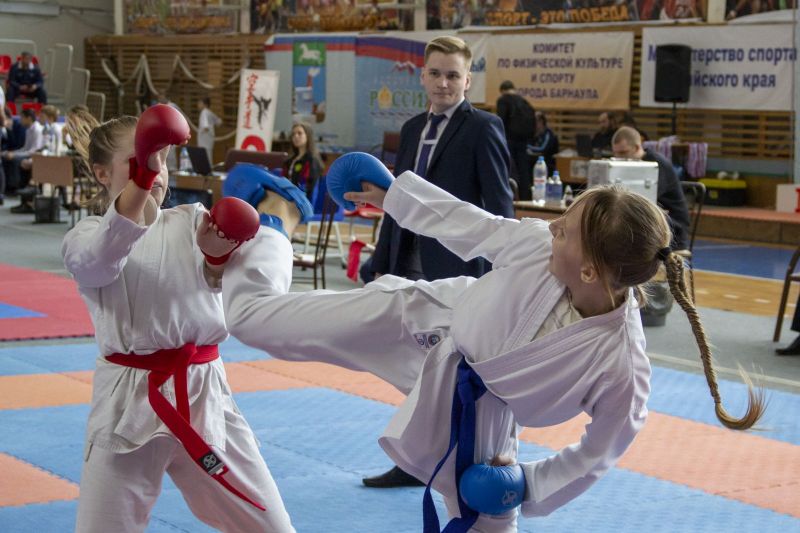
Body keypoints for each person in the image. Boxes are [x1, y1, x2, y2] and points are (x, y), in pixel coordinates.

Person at [220, 152, 765, 532]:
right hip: (421, 323)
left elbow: (601, 450)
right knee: (251, 320)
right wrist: (395, 195)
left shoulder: (620, 365)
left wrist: (527, 484)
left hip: (483, 414)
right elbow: (471, 225)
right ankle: (276, 217)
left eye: (565, 230)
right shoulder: (539, 246)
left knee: (488, 523)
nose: (551, 228)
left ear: (591, 272)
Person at [61, 106, 295, 532]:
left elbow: (231, 289)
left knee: (272, 526)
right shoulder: (86, 234)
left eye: (162, 159)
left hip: (204, 395)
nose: (156, 170)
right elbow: (100, 261)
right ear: (101, 174)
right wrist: (142, 181)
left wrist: (218, 261)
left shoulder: (192, 220)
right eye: (140, 159)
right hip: (127, 404)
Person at [368, 35, 514, 487]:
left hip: (458, 266)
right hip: (407, 257)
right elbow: (397, 199)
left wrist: (506, 267)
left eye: (453, 75)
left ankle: (467, 457)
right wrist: (381, 259)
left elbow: (499, 204)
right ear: (422, 76)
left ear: (467, 80)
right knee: (413, 363)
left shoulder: (484, 127)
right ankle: (415, 458)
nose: (443, 83)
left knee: (458, 369)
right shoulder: (412, 128)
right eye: (435, 73)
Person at [612, 126, 690, 251]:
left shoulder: (656, 164)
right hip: (654, 218)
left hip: (672, 226)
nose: (618, 158)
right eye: (615, 153)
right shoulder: (631, 164)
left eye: (623, 153)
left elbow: (645, 200)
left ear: (637, 147)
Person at [496, 80, 536, 200]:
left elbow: (501, 121)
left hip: (509, 140)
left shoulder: (503, 100)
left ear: (503, 90)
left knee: (510, 170)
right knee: (523, 170)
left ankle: (511, 196)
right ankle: (525, 197)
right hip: (524, 141)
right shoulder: (524, 102)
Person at [1, 108, 43, 201]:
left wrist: (15, 155)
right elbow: (25, 148)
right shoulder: (28, 130)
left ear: (29, 118)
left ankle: (16, 187)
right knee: (6, 158)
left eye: (22, 118)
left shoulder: (37, 130)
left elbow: (33, 150)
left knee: (15, 160)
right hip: (28, 152)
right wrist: (12, 153)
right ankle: (8, 186)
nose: (20, 120)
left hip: (36, 155)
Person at [283, 121, 324, 202]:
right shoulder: (289, 161)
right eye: (293, 134)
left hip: (302, 202)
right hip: (287, 198)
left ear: (308, 136)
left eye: (299, 133)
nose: (296, 136)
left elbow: (309, 188)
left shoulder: (312, 160)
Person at [197, 97, 222, 162]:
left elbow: (206, 127)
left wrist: (202, 131)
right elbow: (219, 122)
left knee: (205, 159)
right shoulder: (209, 112)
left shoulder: (204, 112)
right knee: (208, 157)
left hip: (204, 140)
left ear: (205, 105)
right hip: (209, 139)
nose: (198, 105)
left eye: (200, 103)